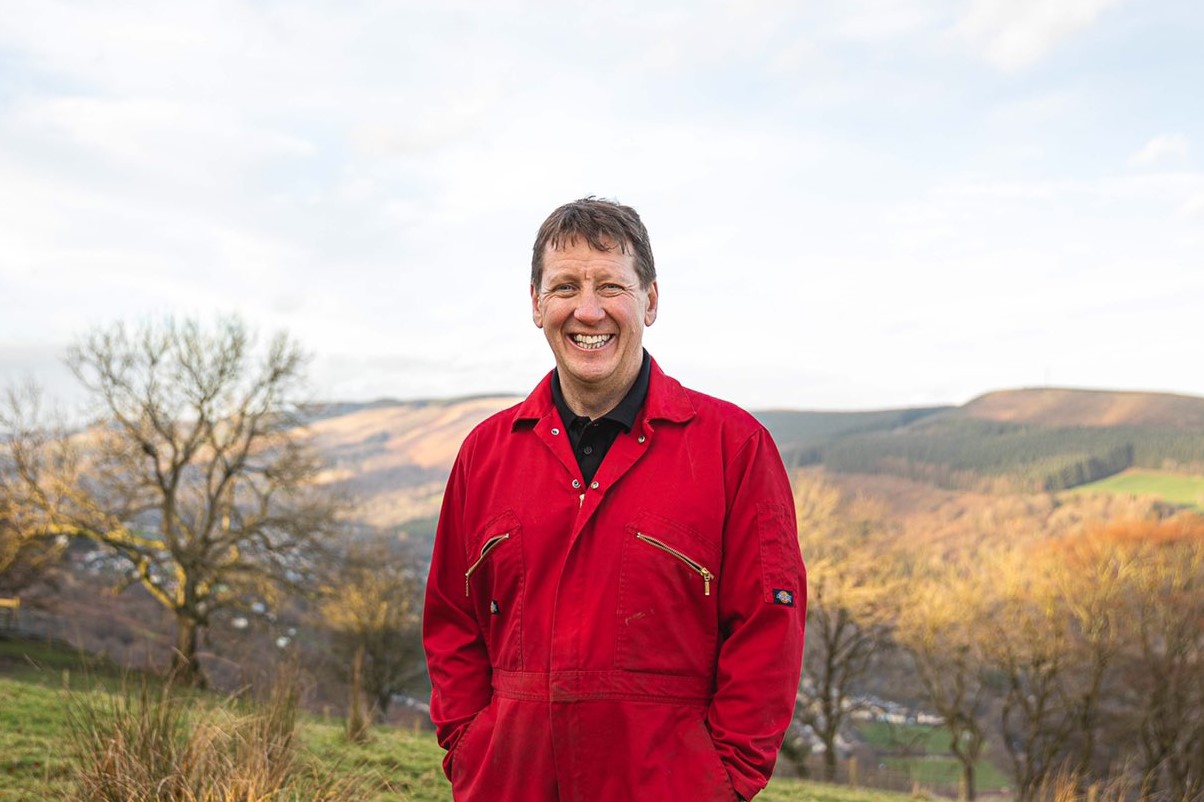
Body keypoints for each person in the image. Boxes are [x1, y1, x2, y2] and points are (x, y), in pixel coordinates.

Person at [422, 197, 806, 801]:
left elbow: (768, 631)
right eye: (565, 286)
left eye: (611, 285)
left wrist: (723, 780)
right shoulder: (485, 454)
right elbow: (452, 622)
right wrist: (471, 747)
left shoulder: (735, 449)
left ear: (650, 301)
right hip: (509, 783)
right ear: (536, 304)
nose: (588, 309)